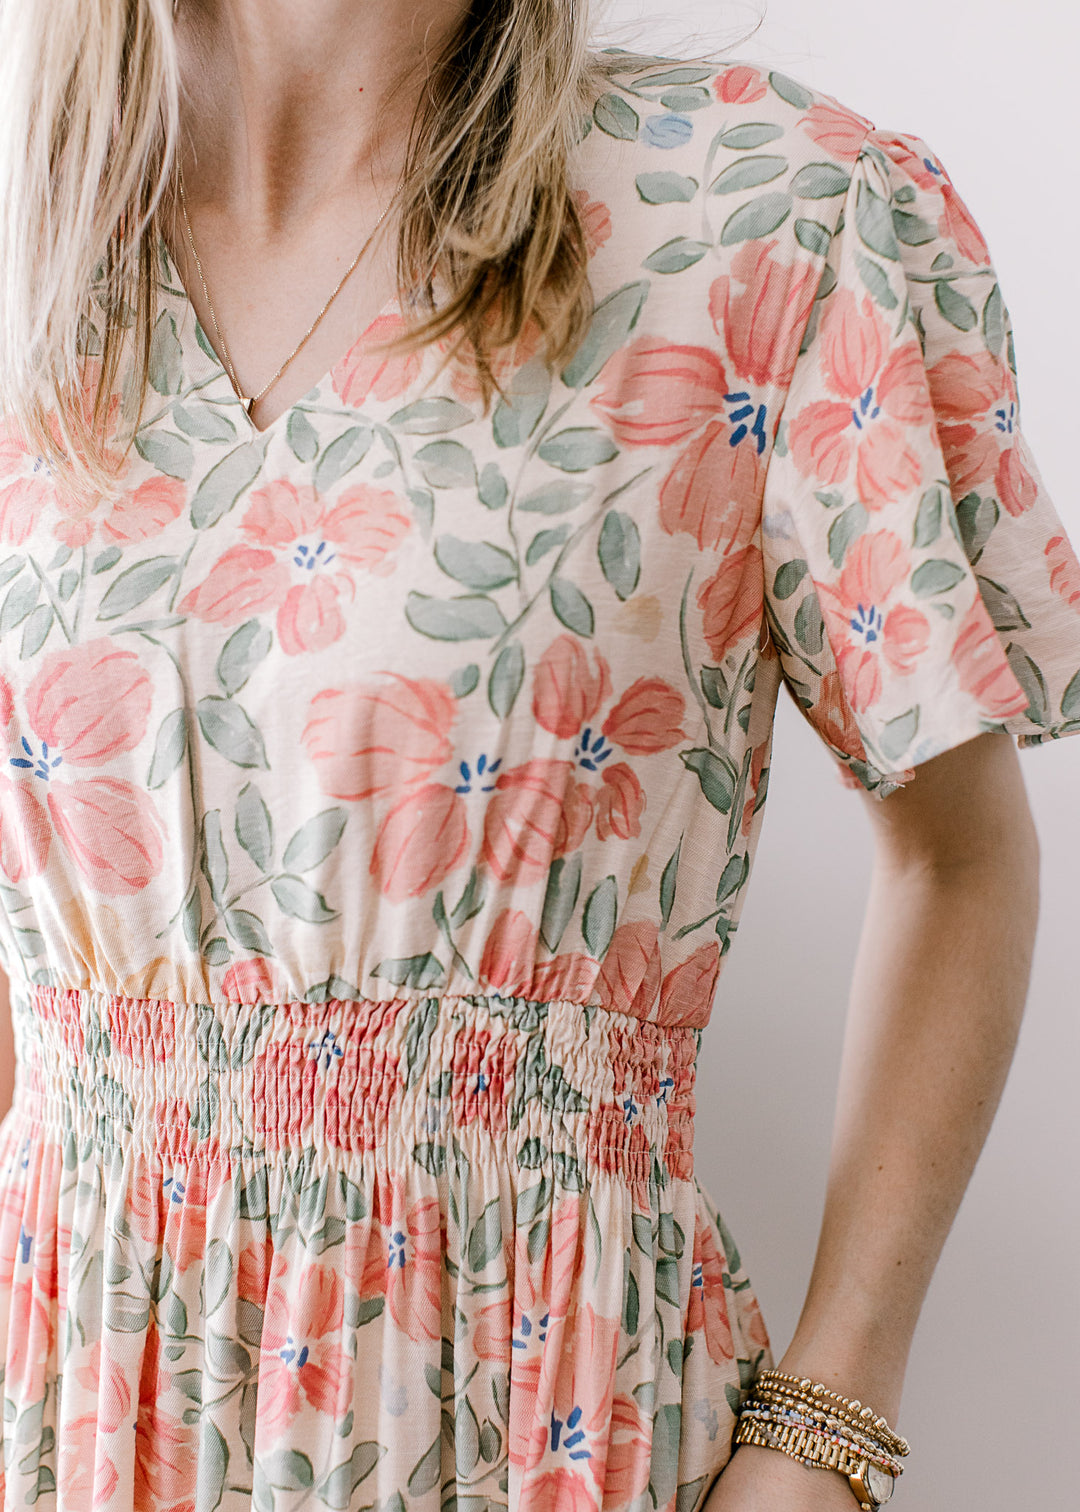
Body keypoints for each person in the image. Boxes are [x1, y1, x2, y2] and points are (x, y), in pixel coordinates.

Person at [0, 2, 1076, 1509]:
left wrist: (828, 1428)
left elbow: (959, 851)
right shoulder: (29, 250)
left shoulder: (763, 211)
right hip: (71, 1416)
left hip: (543, 1412)